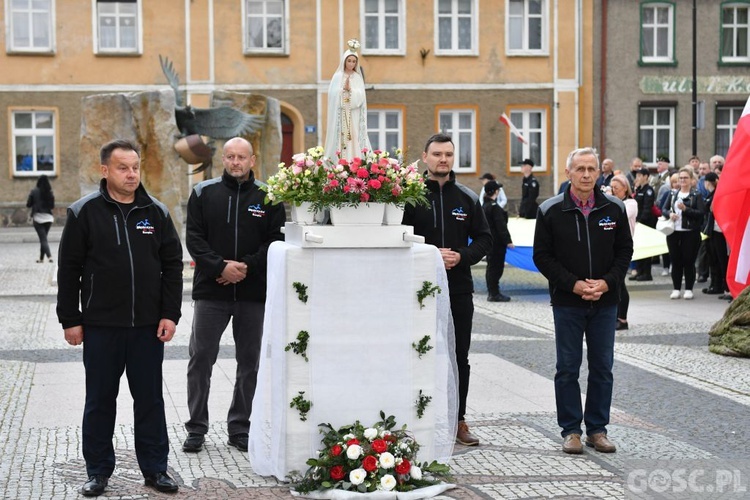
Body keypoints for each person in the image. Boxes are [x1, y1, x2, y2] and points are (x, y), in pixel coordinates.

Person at [57, 139, 183, 496]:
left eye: (135, 167)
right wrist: (71, 319)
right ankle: (97, 472)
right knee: (99, 402)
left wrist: (169, 314)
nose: (131, 174)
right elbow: (69, 270)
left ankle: (156, 470)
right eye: (123, 168)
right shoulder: (84, 212)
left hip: (146, 328)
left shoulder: (155, 212)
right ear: (105, 170)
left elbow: (173, 265)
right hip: (101, 328)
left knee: (150, 400)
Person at [183, 137, 285, 454]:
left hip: (253, 293)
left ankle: (240, 426)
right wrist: (219, 268)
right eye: (230, 157)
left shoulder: (269, 196)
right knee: (201, 359)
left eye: (241, 157)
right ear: (223, 159)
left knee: (249, 363)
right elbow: (194, 239)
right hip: (211, 292)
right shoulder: (203, 193)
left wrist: (247, 267)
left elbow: (275, 241)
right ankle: (196, 427)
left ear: (252, 160)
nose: (235, 162)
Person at [533, 147, 633, 455]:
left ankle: (597, 430)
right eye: (580, 169)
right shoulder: (550, 210)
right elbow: (542, 257)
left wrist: (606, 283)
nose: (587, 174)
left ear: (599, 173)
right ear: (568, 173)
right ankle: (571, 431)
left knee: (603, 367)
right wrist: (574, 285)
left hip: (605, 302)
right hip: (568, 303)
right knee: (567, 367)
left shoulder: (613, 209)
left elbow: (624, 252)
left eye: (592, 169)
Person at [402, 133, 492, 446]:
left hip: (458, 289)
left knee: (458, 355)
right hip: (419, 290)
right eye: (437, 154)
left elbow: (484, 239)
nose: (443, 159)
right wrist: (428, 254)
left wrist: (461, 256)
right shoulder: (410, 197)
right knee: (417, 352)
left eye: (449, 155)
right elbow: (398, 239)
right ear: (424, 157)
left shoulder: (467, 198)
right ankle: (415, 420)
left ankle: (458, 419)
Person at [660, 167, 706, 300]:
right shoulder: (672, 194)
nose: (683, 180)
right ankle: (676, 288)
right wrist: (670, 214)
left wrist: (686, 209)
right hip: (674, 232)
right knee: (675, 260)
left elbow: (700, 214)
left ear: (691, 180)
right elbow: (663, 209)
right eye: (681, 178)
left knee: (688, 261)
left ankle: (689, 289)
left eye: (685, 178)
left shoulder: (696, 195)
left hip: (690, 233)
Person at [324, 39, 371, 161]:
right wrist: (342, 91)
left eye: (354, 61)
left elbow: (361, 97)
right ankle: (339, 163)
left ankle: (354, 161)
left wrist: (351, 91)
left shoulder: (357, 77)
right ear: (344, 61)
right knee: (341, 139)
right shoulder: (338, 76)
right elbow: (332, 95)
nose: (351, 64)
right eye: (349, 61)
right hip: (340, 115)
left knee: (354, 137)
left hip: (353, 115)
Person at [609, 174, 637, 331]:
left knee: (620, 283)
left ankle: (622, 318)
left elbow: (619, 215)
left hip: (622, 247)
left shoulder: (631, 203)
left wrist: (608, 199)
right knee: (614, 283)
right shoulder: (613, 202)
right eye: (611, 188)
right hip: (609, 247)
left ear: (625, 188)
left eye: (616, 188)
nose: (613, 191)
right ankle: (614, 315)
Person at [483, 180, 514, 302]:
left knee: (491, 267)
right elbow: (501, 226)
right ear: (496, 191)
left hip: (489, 242)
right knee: (496, 267)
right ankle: (494, 293)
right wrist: (508, 241)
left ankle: (492, 291)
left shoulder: (484, 206)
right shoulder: (495, 208)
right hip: (497, 243)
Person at [701, 173, 727, 296]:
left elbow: (710, 208)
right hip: (711, 230)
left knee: (720, 259)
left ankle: (723, 286)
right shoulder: (710, 195)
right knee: (712, 259)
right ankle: (715, 284)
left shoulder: (718, 194)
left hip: (719, 231)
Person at [631, 168, 656, 281]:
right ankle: (640, 271)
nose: (637, 178)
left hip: (646, 223)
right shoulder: (639, 189)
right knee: (639, 248)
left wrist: (640, 222)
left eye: (640, 176)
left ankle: (647, 273)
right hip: (638, 223)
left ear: (646, 177)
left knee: (646, 249)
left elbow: (647, 208)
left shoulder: (648, 190)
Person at [26, 174, 55, 263]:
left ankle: (49, 256)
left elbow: (28, 204)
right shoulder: (50, 192)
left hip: (38, 218)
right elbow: (52, 206)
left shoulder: (34, 191)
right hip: (48, 218)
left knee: (43, 239)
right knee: (44, 238)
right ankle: (41, 259)